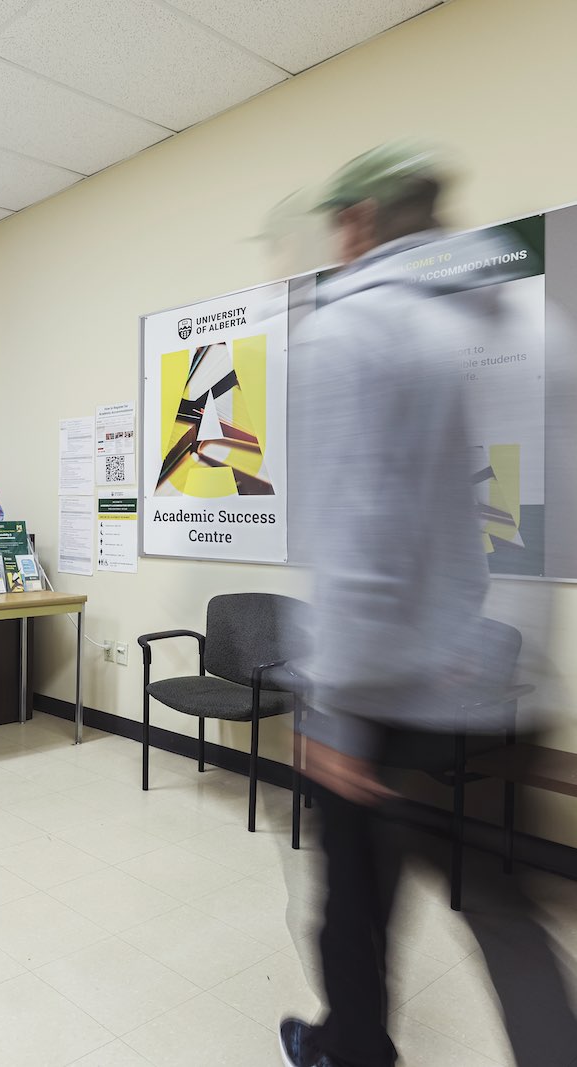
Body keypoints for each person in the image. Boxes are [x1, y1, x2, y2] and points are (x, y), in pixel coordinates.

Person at [281, 144, 577, 1067]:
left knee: (354, 905)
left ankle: (351, 1053)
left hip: (390, 696)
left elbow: (359, 535)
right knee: (498, 901)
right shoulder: (535, 329)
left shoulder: (349, 332)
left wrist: (332, 707)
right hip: (502, 683)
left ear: (359, 223)